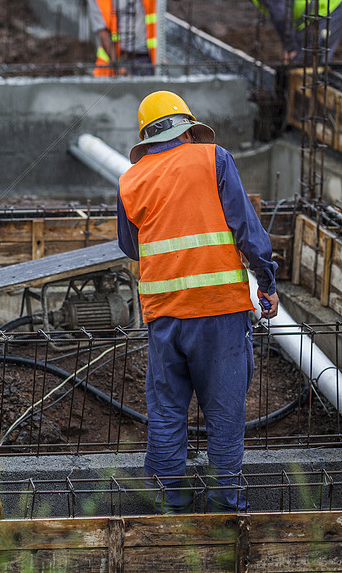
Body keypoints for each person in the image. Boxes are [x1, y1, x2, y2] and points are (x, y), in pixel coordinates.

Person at [117, 91, 279, 513]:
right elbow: (246, 228)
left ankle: (173, 504)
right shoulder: (214, 159)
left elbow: (131, 247)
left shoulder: (130, 179)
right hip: (219, 311)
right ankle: (228, 507)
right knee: (224, 415)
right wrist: (267, 280)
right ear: (188, 129)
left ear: (146, 138)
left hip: (164, 316)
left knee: (167, 411)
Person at [251, 0, 342, 64]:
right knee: (304, 56)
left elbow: (280, 12)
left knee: (307, 60)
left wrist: (291, 48)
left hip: (330, 7)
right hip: (311, 13)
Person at [87, 0, 157, 76]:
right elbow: (103, 34)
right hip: (119, 59)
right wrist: (118, 66)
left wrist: (162, 55)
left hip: (147, 59)